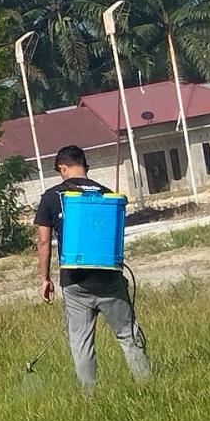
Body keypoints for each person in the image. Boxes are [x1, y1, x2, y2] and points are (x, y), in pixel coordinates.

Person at [35, 145, 150, 391]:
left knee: (81, 342)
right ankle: (147, 385)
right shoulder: (107, 195)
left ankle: (89, 396)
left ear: (62, 168)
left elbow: (43, 241)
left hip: (74, 281)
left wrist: (45, 279)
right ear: (85, 166)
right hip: (110, 278)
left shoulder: (52, 197)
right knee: (127, 334)